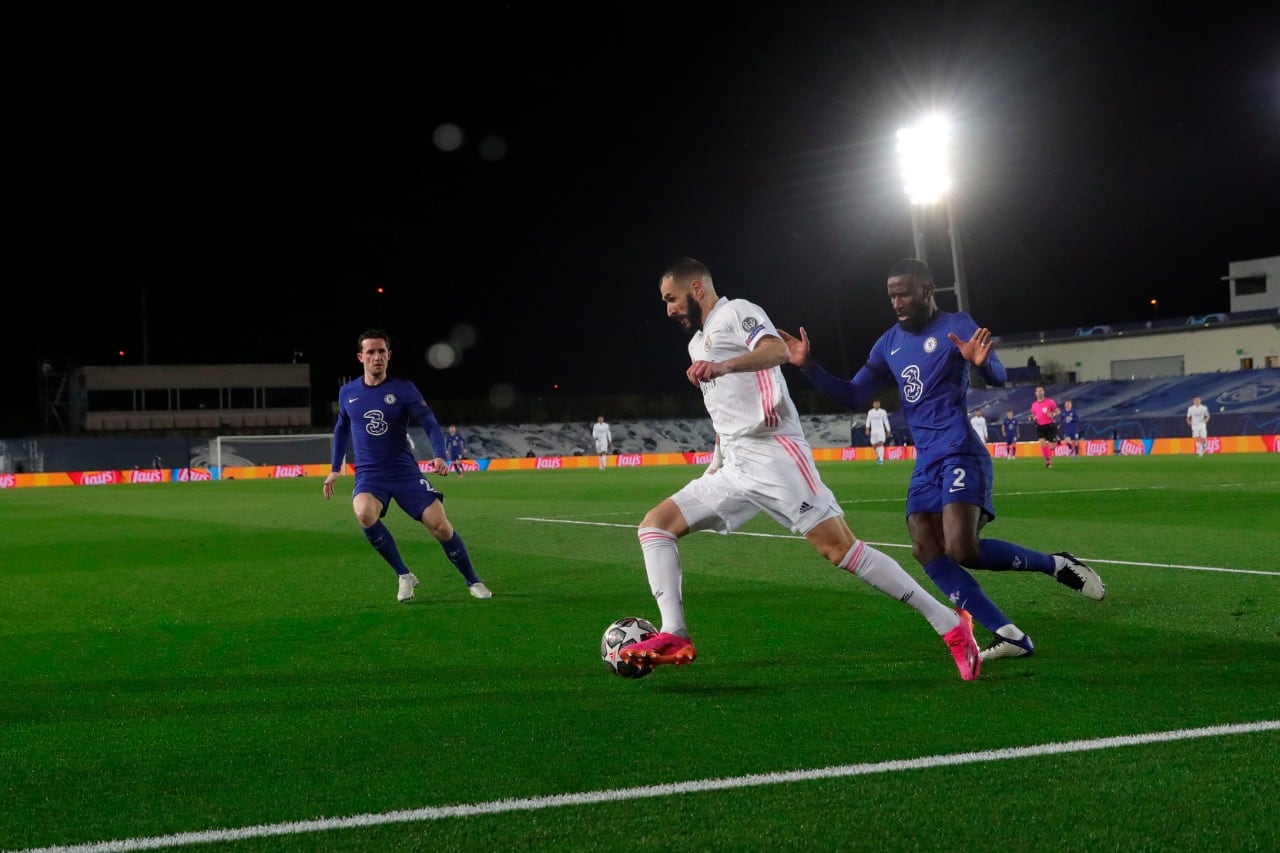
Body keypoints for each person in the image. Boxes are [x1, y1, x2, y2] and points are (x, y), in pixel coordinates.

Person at [620, 257, 981, 680]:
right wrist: (717, 458)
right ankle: (674, 633)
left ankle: (950, 623)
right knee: (655, 527)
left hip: (775, 455)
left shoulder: (738, 312)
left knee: (841, 550)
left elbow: (775, 350)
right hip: (734, 465)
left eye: (672, 298)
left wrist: (725, 364)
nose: (669, 309)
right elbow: (726, 407)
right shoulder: (697, 344)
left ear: (696, 288)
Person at [781, 258, 1105, 662]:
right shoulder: (888, 343)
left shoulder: (957, 324)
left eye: (903, 293)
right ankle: (1010, 635)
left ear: (927, 291)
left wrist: (982, 364)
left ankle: (1055, 564)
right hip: (927, 463)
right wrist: (808, 366)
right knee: (925, 548)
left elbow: (999, 374)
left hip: (960, 451)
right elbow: (853, 395)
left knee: (962, 549)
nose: (897, 302)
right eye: (891, 296)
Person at [323, 329, 493, 603]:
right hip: (370, 474)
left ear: (389, 355)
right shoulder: (348, 392)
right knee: (364, 513)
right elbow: (341, 428)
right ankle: (404, 574)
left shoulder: (404, 389)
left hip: (404, 472)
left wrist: (439, 455)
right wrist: (334, 468)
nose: (376, 357)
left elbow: (430, 424)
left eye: (381, 351)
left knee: (440, 526)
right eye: (370, 352)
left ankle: (473, 580)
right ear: (360, 357)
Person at [1030, 385, 1059, 468]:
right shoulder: (1034, 405)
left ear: (1043, 392)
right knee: (1042, 444)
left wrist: (1053, 414)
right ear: (1035, 393)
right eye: (1038, 391)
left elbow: (1058, 411)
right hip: (1040, 426)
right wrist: (1032, 418)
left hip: (1050, 426)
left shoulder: (1050, 402)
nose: (1039, 392)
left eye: (1041, 391)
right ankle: (1048, 462)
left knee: (1052, 447)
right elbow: (1033, 415)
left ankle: (1057, 439)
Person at [865, 399, 891, 464]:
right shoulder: (870, 412)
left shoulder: (883, 412)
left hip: (881, 430)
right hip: (873, 431)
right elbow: (868, 420)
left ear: (879, 404)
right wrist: (867, 429)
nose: (876, 405)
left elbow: (886, 421)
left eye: (877, 403)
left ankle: (881, 459)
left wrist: (888, 430)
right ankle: (878, 456)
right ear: (873, 405)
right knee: (874, 445)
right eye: (875, 403)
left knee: (880, 443)